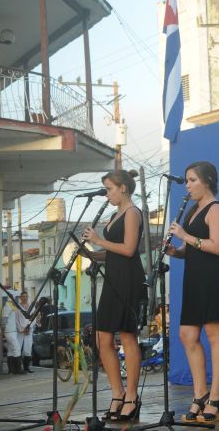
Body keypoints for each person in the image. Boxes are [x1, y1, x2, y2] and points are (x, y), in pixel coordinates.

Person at [165, 161, 219, 423]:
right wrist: (175, 251)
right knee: (187, 334)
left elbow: (216, 247)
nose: (187, 185)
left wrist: (184, 236)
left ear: (207, 181)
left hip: (213, 278)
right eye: (186, 180)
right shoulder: (193, 210)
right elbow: (194, 248)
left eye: (192, 180)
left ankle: (216, 397)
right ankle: (200, 394)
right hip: (195, 279)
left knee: (214, 334)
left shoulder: (216, 209)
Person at [82, 169, 147, 422]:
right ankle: (117, 393)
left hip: (129, 279)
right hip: (112, 279)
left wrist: (99, 239)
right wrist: (90, 253)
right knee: (102, 338)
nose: (107, 194)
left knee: (128, 337)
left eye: (109, 188)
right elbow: (112, 253)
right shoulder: (114, 214)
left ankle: (131, 396)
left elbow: (129, 250)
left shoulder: (132, 212)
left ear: (123, 188)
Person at [1, 291, 23, 374]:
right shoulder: (8, 306)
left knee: (10, 350)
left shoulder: (11, 306)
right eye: (17, 297)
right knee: (17, 348)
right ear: (12, 297)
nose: (18, 299)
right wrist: (3, 330)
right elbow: (4, 319)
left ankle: (12, 370)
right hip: (9, 331)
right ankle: (18, 370)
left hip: (12, 331)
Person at [16, 290, 37, 373]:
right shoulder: (18, 308)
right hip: (20, 331)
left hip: (28, 331)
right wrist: (22, 329)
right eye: (23, 296)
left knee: (28, 350)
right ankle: (18, 368)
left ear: (28, 297)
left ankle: (26, 367)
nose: (25, 298)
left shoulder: (31, 307)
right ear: (20, 298)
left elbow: (34, 318)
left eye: (26, 296)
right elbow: (16, 320)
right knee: (17, 348)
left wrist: (29, 327)